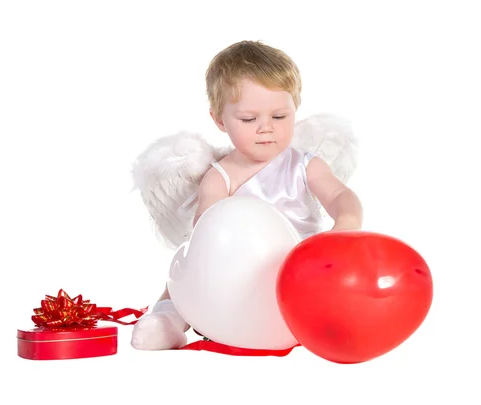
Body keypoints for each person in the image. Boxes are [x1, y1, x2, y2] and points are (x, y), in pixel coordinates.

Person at [130, 40, 363, 350]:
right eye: (249, 119)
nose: (265, 128)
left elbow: (339, 195)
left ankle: (335, 321)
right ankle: (167, 320)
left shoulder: (306, 165)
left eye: (279, 117)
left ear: (295, 109)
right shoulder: (218, 177)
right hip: (233, 278)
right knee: (184, 277)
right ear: (219, 120)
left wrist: (346, 220)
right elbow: (206, 237)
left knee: (342, 285)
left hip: (297, 274)